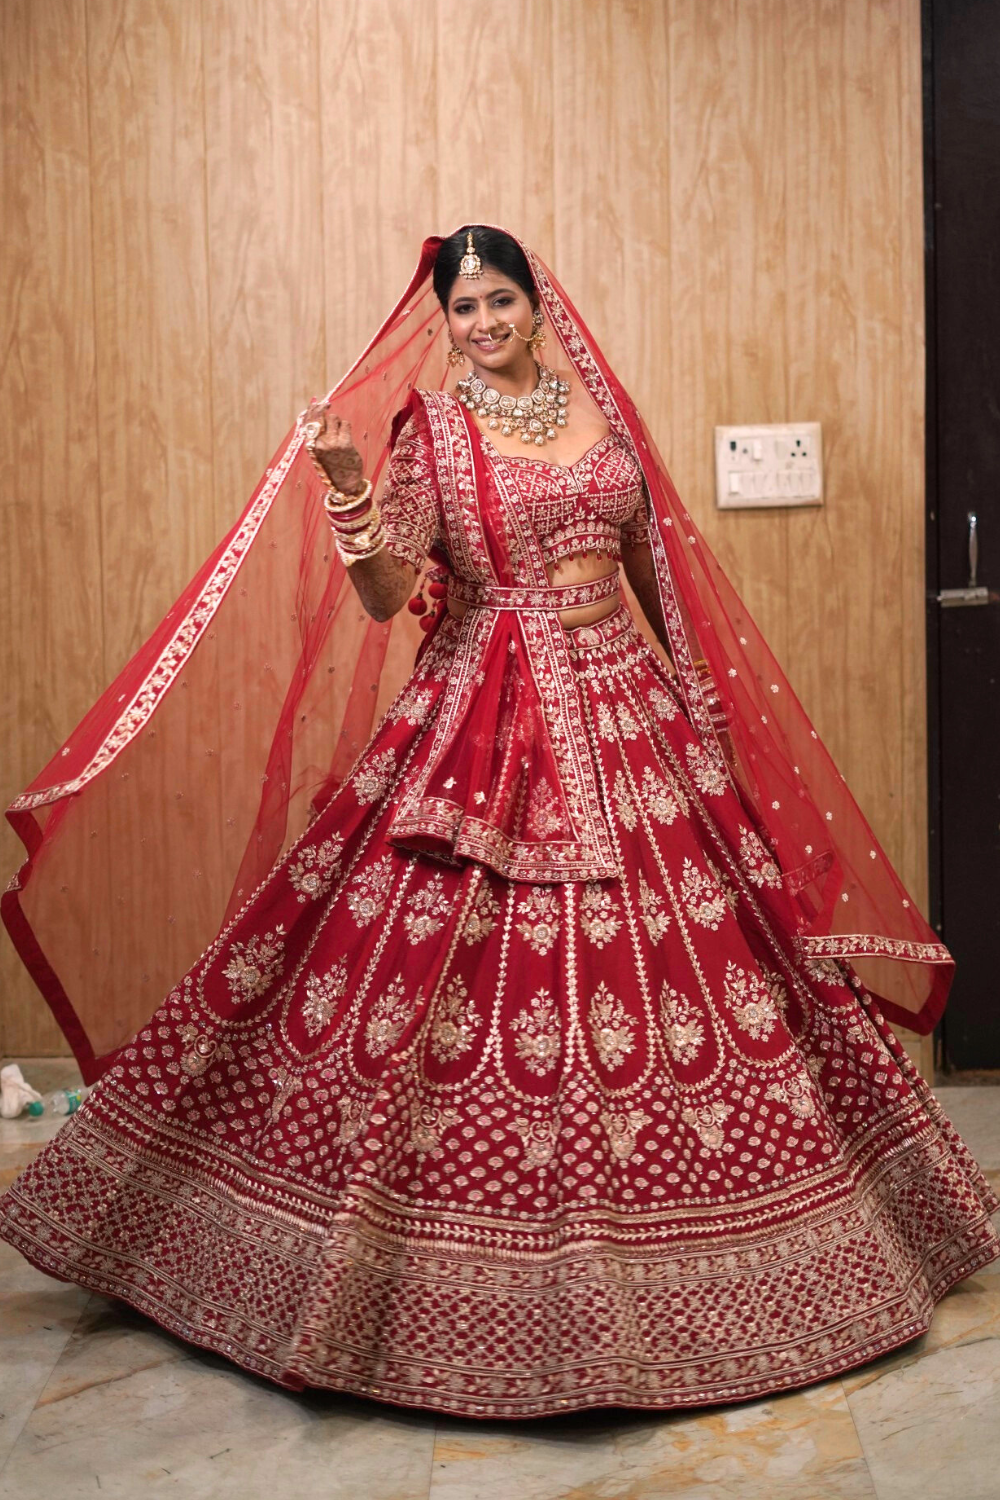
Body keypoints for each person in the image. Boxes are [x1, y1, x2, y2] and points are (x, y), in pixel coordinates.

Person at [1, 226, 996, 1420]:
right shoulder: (436, 431)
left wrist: (700, 721)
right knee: (405, 970)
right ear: (446, 319)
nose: (482, 321)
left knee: (711, 971)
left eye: (499, 299)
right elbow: (384, 594)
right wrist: (349, 485)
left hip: (628, 709)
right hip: (480, 721)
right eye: (461, 306)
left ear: (535, 302)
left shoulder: (600, 409)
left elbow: (648, 565)